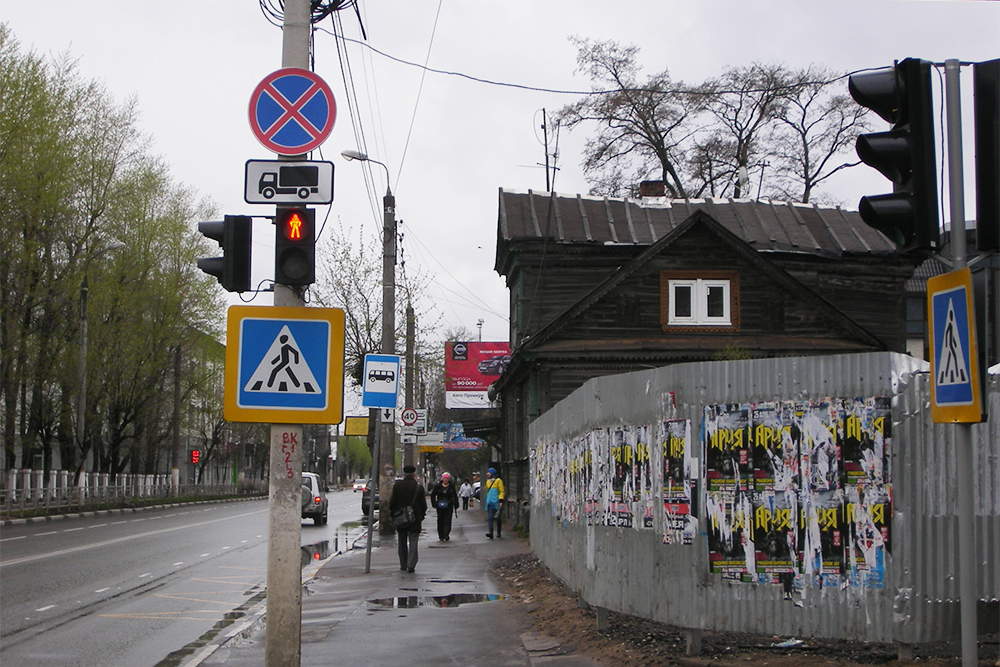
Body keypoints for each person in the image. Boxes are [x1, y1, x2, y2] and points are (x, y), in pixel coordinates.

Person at [389, 465, 426, 572]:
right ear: (414, 474)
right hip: (415, 518)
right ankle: (411, 565)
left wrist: (394, 515)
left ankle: (403, 564)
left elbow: (392, 503)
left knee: (402, 541)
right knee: (413, 541)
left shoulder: (398, 486)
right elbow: (423, 505)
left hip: (401, 518)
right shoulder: (419, 487)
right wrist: (421, 516)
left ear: (404, 474)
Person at [429, 472, 459, 541]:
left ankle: (446, 533)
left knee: (448, 520)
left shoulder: (451, 486)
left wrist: (456, 504)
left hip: (449, 505)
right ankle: (441, 534)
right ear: (442, 479)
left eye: (447, 478)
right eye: (444, 478)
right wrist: (434, 504)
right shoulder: (437, 486)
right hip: (440, 506)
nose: (446, 480)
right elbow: (433, 495)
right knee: (440, 520)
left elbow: (454, 495)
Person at [484, 467, 505, 539]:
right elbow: (487, 491)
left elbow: (501, 491)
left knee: (497, 517)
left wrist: (501, 500)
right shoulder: (488, 481)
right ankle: (491, 533)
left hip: (496, 502)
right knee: (490, 517)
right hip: (490, 502)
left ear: (492, 473)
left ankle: (498, 532)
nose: (487, 474)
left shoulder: (498, 481)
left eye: (488, 472)